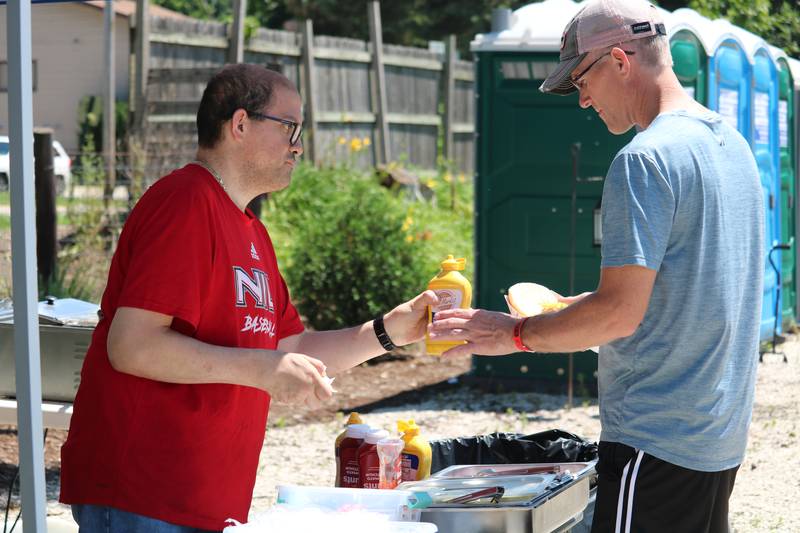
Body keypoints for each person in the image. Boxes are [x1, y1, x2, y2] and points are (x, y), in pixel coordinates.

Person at [429, 1, 764, 531]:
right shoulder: (732, 144)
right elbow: (692, 293)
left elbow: (618, 315)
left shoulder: (644, 159)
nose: (583, 100)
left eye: (582, 80)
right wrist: (573, 310)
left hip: (655, 442)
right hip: (717, 438)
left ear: (620, 60)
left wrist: (513, 334)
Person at [60, 64, 436, 532]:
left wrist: (391, 329)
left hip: (199, 500)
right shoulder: (185, 201)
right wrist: (261, 369)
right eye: (289, 127)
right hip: (143, 494)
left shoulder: (251, 229)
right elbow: (133, 346)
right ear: (239, 123)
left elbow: (290, 348)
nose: (298, 145)